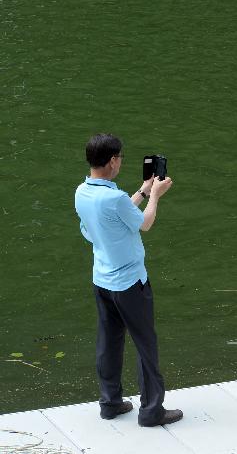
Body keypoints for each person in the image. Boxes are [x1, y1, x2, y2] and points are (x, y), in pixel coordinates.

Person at [74, 133, 182, 426]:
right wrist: (156, 196)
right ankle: (151, 410)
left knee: (109, 343)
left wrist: (144, 191)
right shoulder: (114, 198)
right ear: (112, 161)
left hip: (103, 280)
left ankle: (109, 402)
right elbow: (144, 224)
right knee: (146, 344)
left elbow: (115, 215)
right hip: (130, 284)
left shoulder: (82, 192)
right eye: (120, 158)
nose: (121, 162)